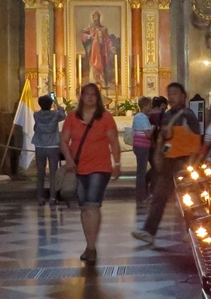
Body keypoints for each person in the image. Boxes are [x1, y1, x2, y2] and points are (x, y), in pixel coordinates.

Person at [131, 82, 200, 246]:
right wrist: (158, 155)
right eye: (170, 94)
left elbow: (197, 140)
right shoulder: (167, 115)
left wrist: (193, 162)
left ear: (183, 96)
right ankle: (149, 232)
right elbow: (162, 138)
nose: (172, 97)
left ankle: (193, 231)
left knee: (187, 199)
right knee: (158, 198)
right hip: (169, 162)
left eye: (175, 93)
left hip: (183, 162)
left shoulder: (188, 115)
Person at [61, 82, 121, 262]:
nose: (89, 97)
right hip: (78, 167)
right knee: (84, 207)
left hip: (100, 167)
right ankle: (89, 244)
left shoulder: (105, 117)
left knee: (93, 205)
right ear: (81, 97)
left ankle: (92, 247)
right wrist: (69, 160)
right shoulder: (72, 117)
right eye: (86, 94)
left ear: (98, 98)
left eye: (93, 95)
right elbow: (64, 140)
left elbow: (114, 142)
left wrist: (117, 162)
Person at [33, 93, 66, 203]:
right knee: (53, 173)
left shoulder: (36, 115)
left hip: (40, 145)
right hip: (52, 146)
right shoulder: (55, 115)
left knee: (40, 173)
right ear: (51, 104)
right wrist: (57, 104)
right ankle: (52, 197)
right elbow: (63, 114)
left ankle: (40, 197)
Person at [80, 11, 114, 88]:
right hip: (94, 50)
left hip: (102, 49)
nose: (96, 20)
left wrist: (111, 47)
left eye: (97, 18)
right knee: (94, 64)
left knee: (102, 65)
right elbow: (82, 33)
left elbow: (107, 39)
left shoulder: (104, 28)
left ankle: (101, 81)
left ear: (99, 19)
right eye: (94, 19)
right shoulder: (90, 27)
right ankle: (93, 81)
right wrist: (89, 37)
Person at [131, 96, 153, 206]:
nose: (151, 107)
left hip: (138, 146)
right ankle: (141, 196)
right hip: (142, 146)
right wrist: (154, 129)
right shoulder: (143, 117)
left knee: (141, 172)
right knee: (141, 173)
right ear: (144, 106)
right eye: (149, 105)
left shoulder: (137, 116)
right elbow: (148, 134)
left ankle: (141, 195)